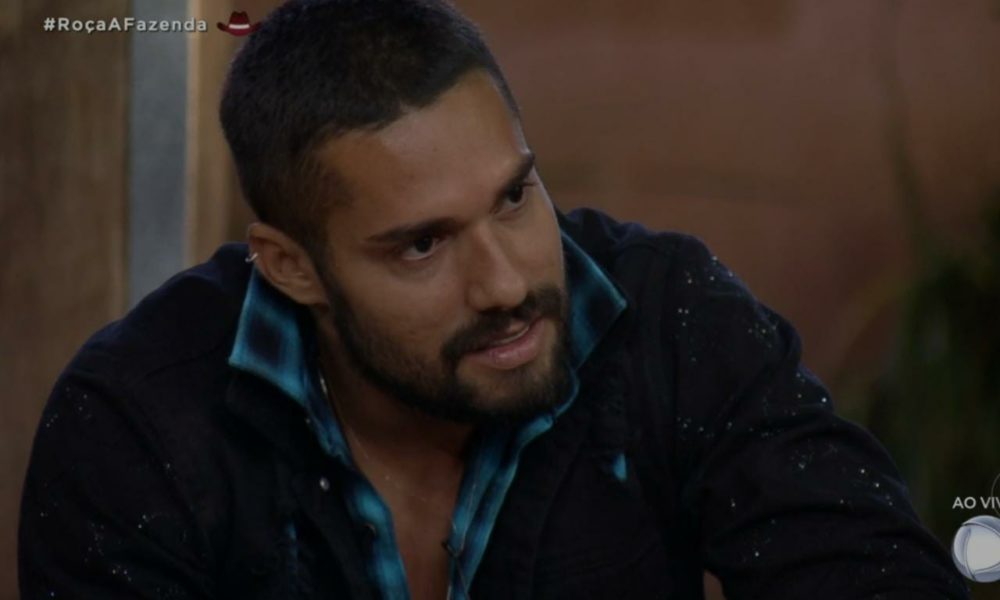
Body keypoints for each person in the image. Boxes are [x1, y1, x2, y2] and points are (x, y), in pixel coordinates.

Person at [19, 0, 969, 598]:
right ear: (290, 266)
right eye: (422, 245)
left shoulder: (669, 321)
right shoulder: (137, 425)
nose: (508, 283)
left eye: (515, 197)